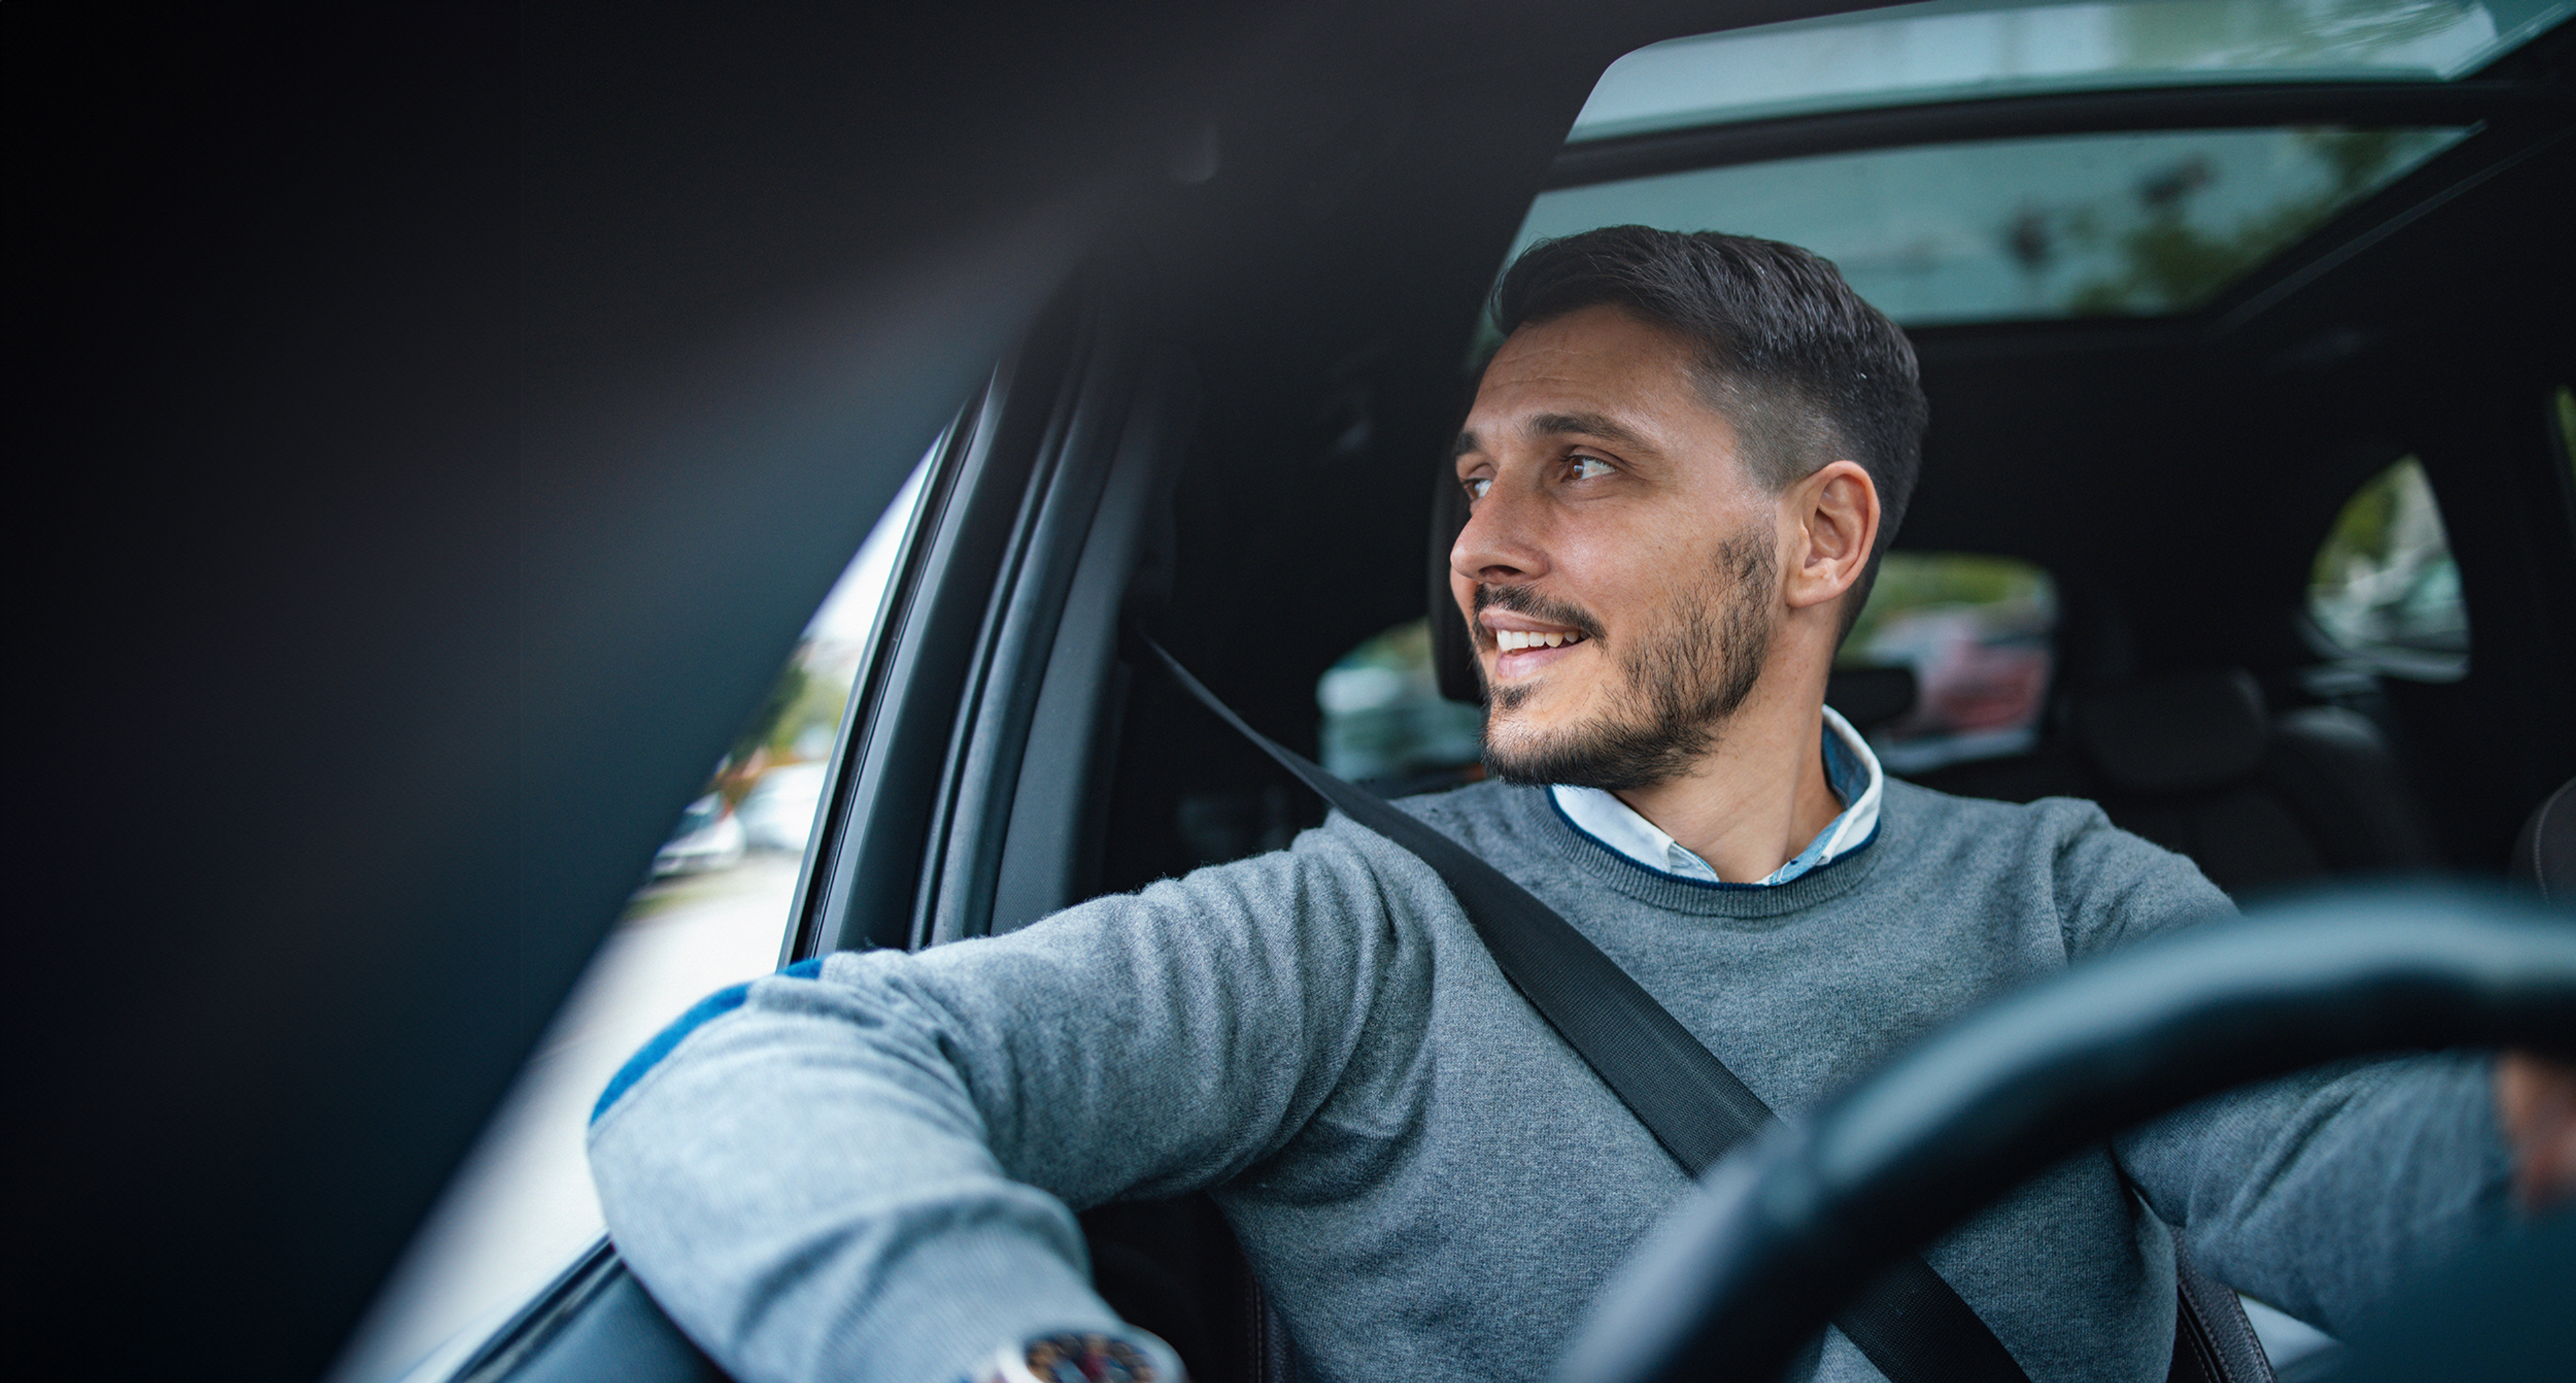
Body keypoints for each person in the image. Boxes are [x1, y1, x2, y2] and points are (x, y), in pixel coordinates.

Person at [588, 227, 2571, 1383]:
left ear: (1821, 538)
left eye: (1585, 467)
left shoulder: (2075, 896)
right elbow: (755, 1066)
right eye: (1475, 479)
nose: (1482, 550)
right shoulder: (1353, 927)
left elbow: (2381, 1173)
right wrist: (1028, 1360)